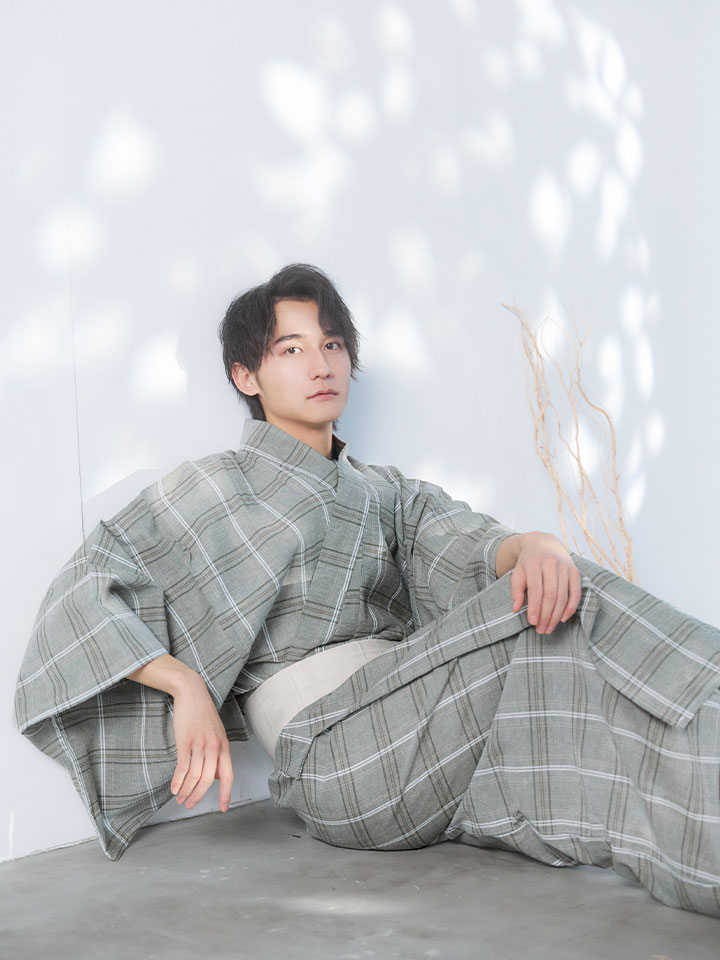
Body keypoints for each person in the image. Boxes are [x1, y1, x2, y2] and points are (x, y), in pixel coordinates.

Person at [13, 263, 720, 920]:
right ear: (245, 375)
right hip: (335, 758)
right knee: (564, 608)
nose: (321, 364)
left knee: (586, 730)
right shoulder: (212, 487)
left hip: (418, 733)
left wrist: (535, 545)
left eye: (332, 344)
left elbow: (468, 541)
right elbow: (87, 586)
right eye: (291, 349)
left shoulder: (382, 491)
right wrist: (182, 683)